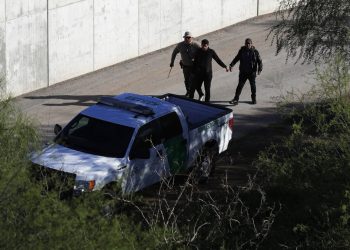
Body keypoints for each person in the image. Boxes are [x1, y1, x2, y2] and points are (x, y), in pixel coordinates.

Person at [229, 38, 263, 105]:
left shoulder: (255, 52)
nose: (248, 45)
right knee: (240, 86)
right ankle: (236, 99)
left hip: (251, 72)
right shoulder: (242, 51)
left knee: (253, 86)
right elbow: (237, 58)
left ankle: (254, 99)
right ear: (245, 44)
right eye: (246, 43)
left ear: (251, 44)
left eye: (249, 43)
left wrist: (259, 69)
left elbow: (260, 62)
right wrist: (231, 65)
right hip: (243, 72)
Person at [170, 31, 203, 97]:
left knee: (194, 81)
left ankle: (201, 94)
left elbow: (202, 53)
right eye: (186, 37)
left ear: (191, 38)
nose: (187, 39)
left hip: (194, 66)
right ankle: (188, 92)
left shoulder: (196, 45)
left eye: (189, 37)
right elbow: (174, 53)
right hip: (185, 66)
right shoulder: (180, 45)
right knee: (187, 80)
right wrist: (172, 62)